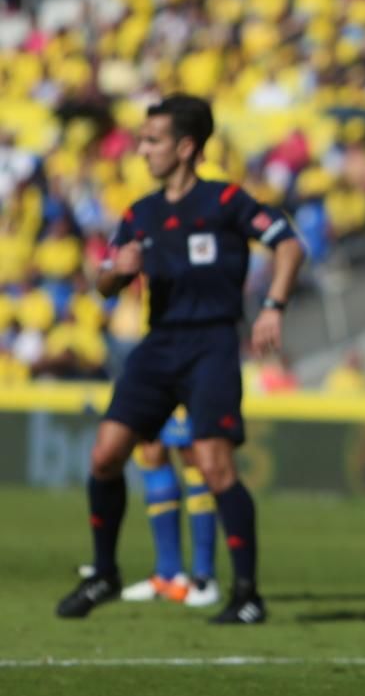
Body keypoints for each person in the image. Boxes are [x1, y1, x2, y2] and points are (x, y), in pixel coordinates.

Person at [55, 94, 304, 624]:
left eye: (153, 140)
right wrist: (117, 271)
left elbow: (288, 245)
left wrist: (273, 307)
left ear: (186, 147)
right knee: (105, 456)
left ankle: (246, 594)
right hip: (159, 343)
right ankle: (104, 574)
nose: (141, 150)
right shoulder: (140, 212)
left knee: (215, 466)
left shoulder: (227, 201)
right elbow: (104, 284)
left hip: (211, 343)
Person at [116, 410, 220, 608]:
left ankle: (204, 578)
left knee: (192, 452)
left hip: (186, 382)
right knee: (150, 451)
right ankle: (169, 575)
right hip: (151, 380)